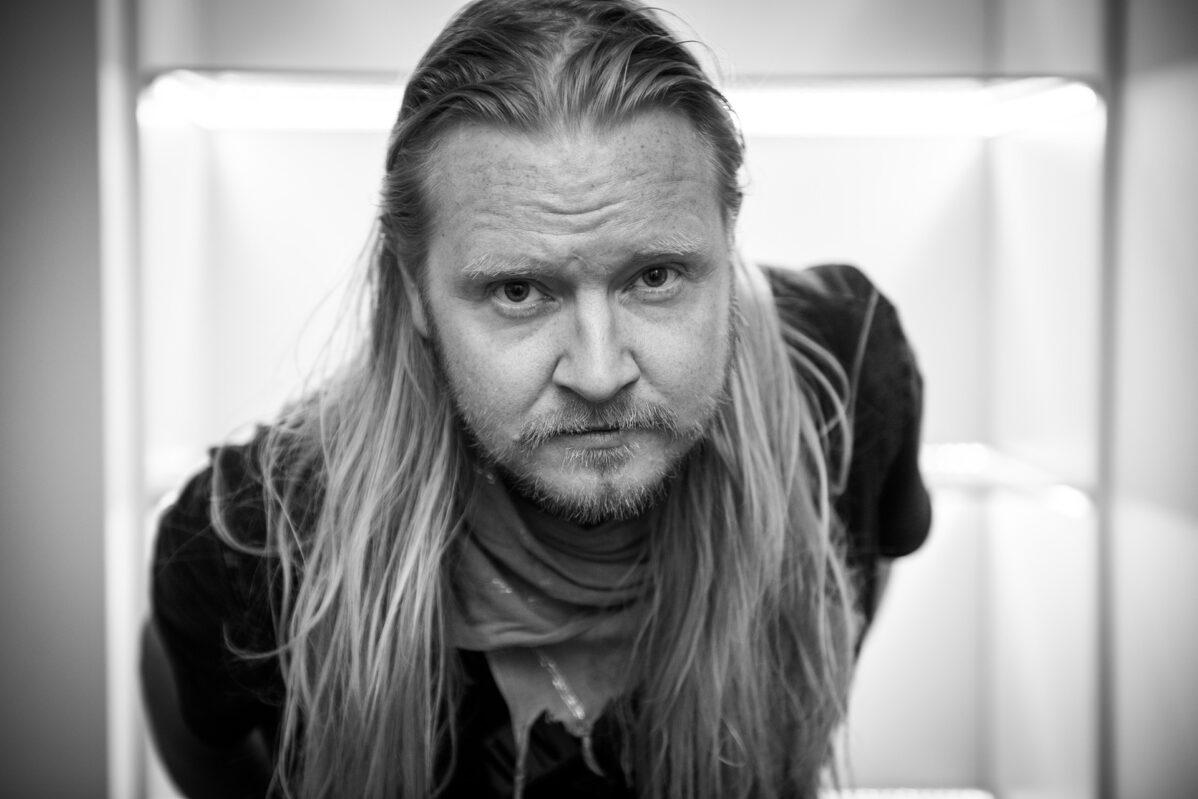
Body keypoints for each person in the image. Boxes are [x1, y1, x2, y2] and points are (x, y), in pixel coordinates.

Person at [141, 0, 932, 797]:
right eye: (518, 290)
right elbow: (189, 702)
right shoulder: (263, 537)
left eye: (655, 276)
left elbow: (859, 562)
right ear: (415, 293)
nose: (598, 372)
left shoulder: (847, 374)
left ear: (726, 244)